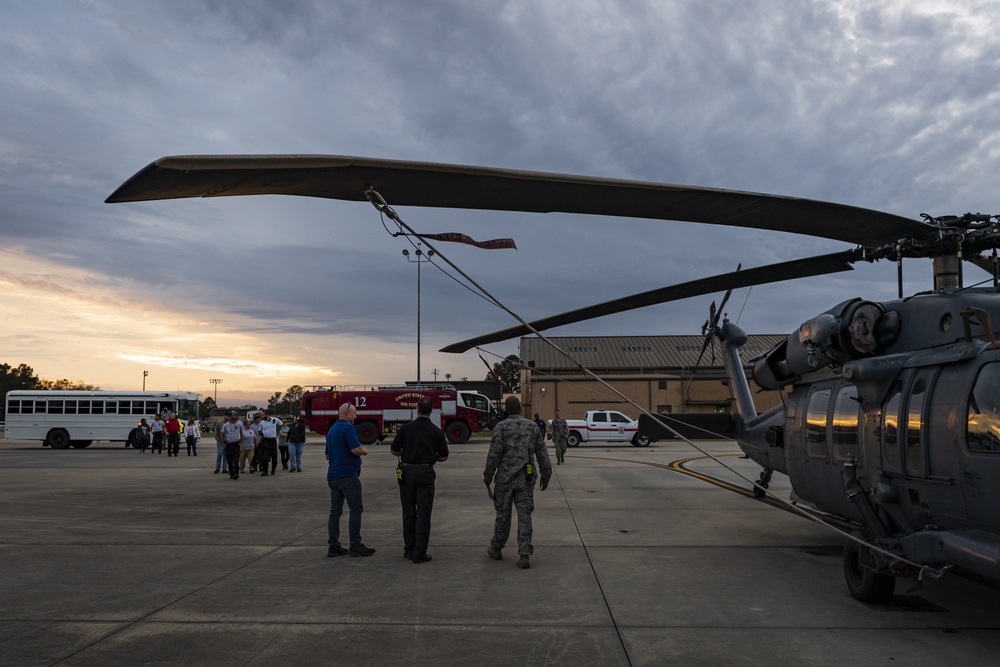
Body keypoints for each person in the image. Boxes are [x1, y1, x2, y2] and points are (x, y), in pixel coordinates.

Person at [484, 395, 552, 569]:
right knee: (524, 515)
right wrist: (546, 473)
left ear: (506, 410)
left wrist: (488, 475)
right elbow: (542, 452)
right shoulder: (532, 426)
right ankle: (524, 554)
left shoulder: (501, 427)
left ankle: (497, 547)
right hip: (525, 478)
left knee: (503, 515)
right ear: (520, 408)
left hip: (505, 480)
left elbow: (494, 454)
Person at [389, 396, 449, 563]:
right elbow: (444, 457)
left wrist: (405, 454)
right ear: (431, 411)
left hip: (407, 472)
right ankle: (419, 552)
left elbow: (394, 450)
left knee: (408, 512)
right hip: (426, 472)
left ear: (417, 410)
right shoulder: (436, 431)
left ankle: (409, 549)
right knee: (423, 513)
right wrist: (432, 458)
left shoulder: (406, 429)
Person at [326, 403, 375, 557]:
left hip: (333, 475)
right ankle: (355, 544)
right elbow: (355, 449)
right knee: (356, 509)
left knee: (335, 511)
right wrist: (364, 451)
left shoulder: (332, 429)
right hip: (347, 474)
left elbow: (327, 455)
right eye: (354, 413)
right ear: (347, 413)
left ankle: (333, 545)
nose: (356, 416)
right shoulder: (348, 428)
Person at [220, 411, 246, 480]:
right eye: (233, 415)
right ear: (230, 417)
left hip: (236, 444)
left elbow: (242, 433)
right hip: (229, 444)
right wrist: (223, 443)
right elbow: (222, 434)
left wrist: (241, 442)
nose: (235, 417)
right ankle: (231, 472)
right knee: (229, 460)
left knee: (236, 460)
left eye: (236, 415)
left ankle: (236, 473)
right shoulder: (226, 425)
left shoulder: (239, 424)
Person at [257, 409, 283, 476]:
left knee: (274, 456)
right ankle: (265, 471)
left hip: (272, 440)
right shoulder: (262, 422)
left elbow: (281, 424)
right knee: (264, 456)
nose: (262, 416)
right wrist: (261, 434)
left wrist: (277, 431)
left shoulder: (274, 420)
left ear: (267, 415)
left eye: (263, 415)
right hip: (265, 440)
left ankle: (273, 469)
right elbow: (259, 431)